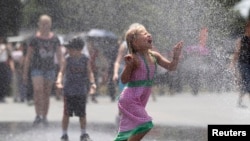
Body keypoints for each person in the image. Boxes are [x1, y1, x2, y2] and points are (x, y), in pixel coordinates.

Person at [114, 23, 183, 141]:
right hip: (130, 98)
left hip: (139, 99)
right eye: (144, 34)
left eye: (148, 33)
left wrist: (175, 56)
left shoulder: (154, 56)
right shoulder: (134, 58)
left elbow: (171, 67)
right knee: (146, 124)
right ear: (135, 43)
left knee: (127, 132)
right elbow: (124, 80)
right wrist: (128, 66)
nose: (149, 35)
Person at [23, 14, 64, 126]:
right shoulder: (34, 39)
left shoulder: (55, 39)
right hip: (37, 68)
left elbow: (60, 56)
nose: (45, 26)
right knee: (38, 90)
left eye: (47, 23)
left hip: (49, 69)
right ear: (39, 24)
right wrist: (25, 73)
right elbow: (28, 56)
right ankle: (37, 115)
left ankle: (44, 116)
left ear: (50, 25)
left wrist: (62, 71)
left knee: (46, 93)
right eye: (43, 23)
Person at [56, 37, 96, 141]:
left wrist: (92, 83)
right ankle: (64, 134)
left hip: (81, 91)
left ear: (79, 49)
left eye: (70, 48)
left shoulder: (85, 59)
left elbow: (89, 72)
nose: (68, 50)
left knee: (82, 114)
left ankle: (83, 134)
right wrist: (59, 81)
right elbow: (61, 72)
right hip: (68, 91)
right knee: (66, 114)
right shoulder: (67, 59)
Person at [230, 21, 250, 108]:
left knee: (245, 84)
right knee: (247, 82)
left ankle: (240, 101)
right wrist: (232, 63)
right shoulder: (241, 39)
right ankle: (240, 101)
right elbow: (237, 52)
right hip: (243, 64)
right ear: (246, 28)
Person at [0, 35, 15, 103]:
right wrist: (3, 49)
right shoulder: (3, 47)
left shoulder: (4, 46)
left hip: (4, 64)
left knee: (4, 81)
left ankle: (3, 96)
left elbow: (10, 55)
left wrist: (9, 48)